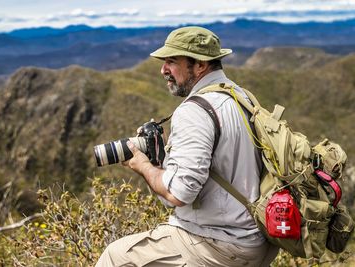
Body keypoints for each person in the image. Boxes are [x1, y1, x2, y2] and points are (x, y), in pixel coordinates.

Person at [96, 26, 278, 267]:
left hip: (219, 243)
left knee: (115, 256)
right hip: (258, 240)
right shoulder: (240, 95)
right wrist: (161, 161)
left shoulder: (194, 111)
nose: (163, 70)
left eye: (172, 61)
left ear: (200, 65)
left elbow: (179, 195)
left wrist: (143, 166)